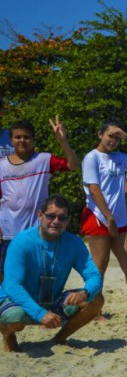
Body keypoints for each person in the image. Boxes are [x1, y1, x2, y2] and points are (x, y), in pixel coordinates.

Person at [0, 195, 104, 352]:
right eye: (51, 216)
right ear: (40, 215)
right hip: (17, 301)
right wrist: (40, 314)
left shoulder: (74, 242)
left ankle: (59, 339)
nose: (56, 221)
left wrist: (85, 292)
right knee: (16, 317)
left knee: (96, 298)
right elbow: (12, 285)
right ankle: (8, 335)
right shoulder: (21, 242)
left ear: (68, 221)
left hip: (51, 301)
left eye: (62, 218)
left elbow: (94, 276)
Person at [81, 119, 127, 325]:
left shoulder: (119, 157)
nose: (113, 140)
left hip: (119, 221)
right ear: (100, 134)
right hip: (98, 218)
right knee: (99, 266)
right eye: (110, 135)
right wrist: (109, 218)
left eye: (116, 136)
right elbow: (94, 189)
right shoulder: (91, 158)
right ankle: (94, 309)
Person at [0, 118, 79, 283]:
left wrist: (63, 141)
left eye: (27, 137)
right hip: (8, 232)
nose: (22, 140)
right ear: (11, 140)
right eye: (18, 137)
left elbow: (73, 165)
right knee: (6, 275)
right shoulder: (1, 166)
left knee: (35, 276)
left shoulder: (44, 160)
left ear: (33, 140)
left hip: (38, 232)